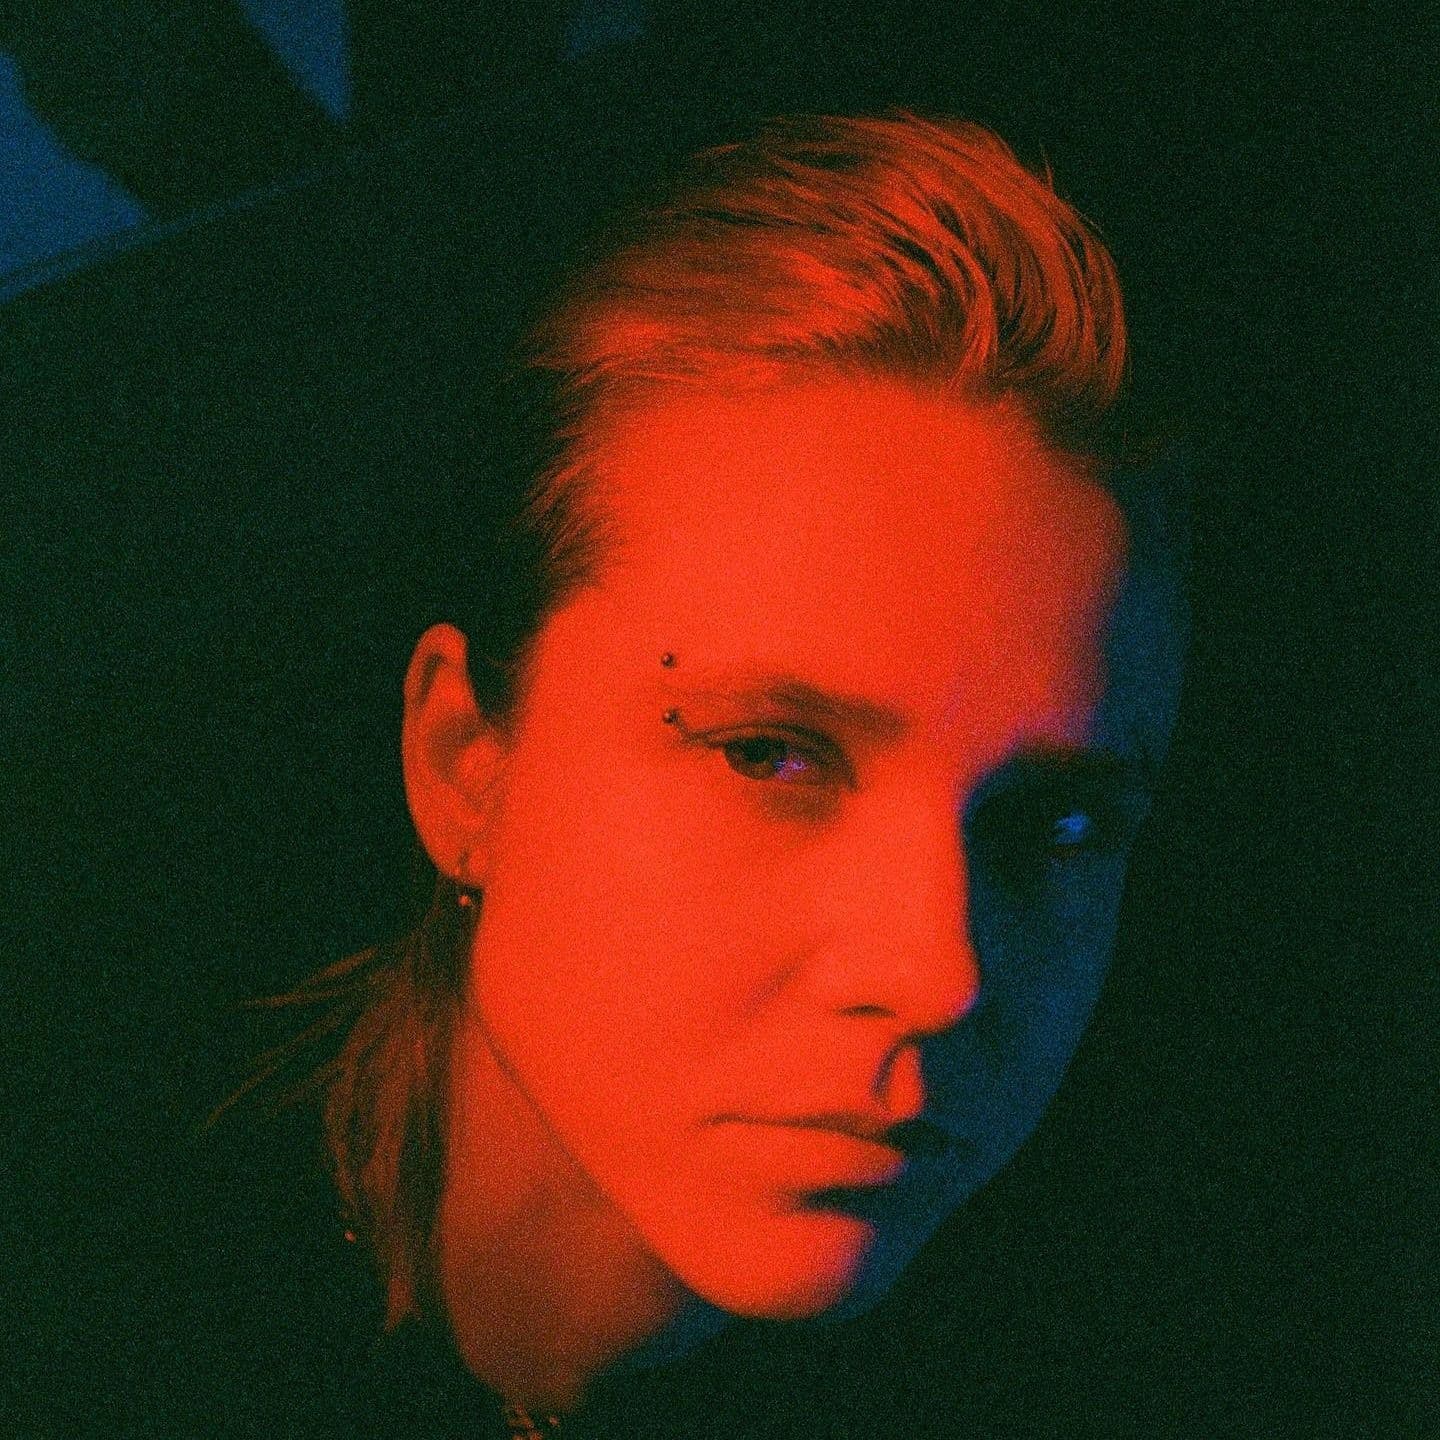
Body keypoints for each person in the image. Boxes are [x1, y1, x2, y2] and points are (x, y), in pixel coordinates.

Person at [218, 107, 1192, 1437]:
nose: (939, 975)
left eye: (1056, 823)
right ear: (466, 766)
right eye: (769, 754)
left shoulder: (1125, 1358)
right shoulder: (92, 1278)